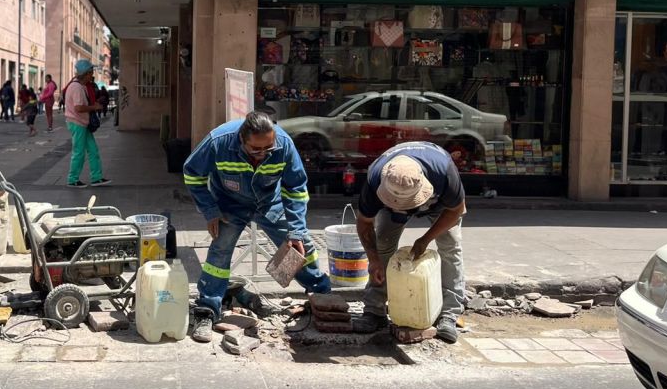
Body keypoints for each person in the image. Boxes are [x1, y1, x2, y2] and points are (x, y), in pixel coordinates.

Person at [182, 110, 331, 342]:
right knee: (220, 251)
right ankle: (207, 309)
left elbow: (296, 189)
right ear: (242, 139)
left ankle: (321, 296)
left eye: (268, 149)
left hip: (270, 203)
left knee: (301, 247)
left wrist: (296, 231)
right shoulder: (218, 141)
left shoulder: (284, 144)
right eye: (256, 149)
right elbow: (192, 175)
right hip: (230, 205)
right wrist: (210, 211)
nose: (263, 154)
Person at [352, 142, 467, 344]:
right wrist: (373, 260)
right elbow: (364, 222)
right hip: (391, 209)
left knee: (450, 247)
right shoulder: (375, 179)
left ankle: (449, 314)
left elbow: (456, 209)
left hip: (439, 205)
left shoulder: (444, 171)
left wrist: (425, 239)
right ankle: (374, 310)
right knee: (383, 246)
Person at [64, 60, 110, 188]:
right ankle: (72, 179)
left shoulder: (80, 86)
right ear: (85, 73)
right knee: (79, 152)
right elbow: (78, 108)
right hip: (77, 123)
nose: (92, 75)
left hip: (82, 123)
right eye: (91, 72)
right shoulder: (77, 87)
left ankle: (97, 178)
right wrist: (94, 107)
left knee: (93, 150)